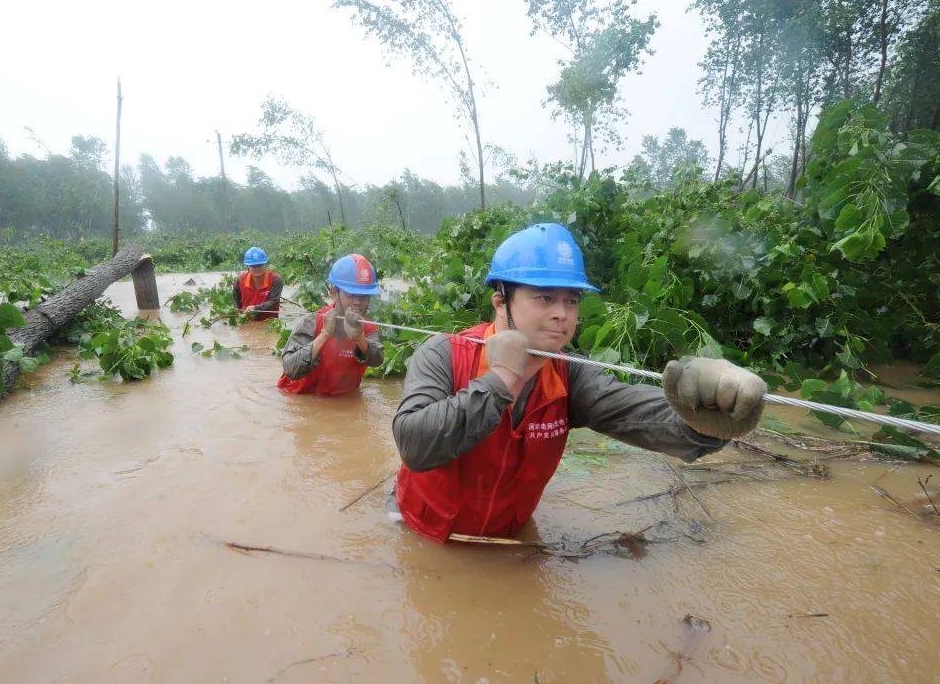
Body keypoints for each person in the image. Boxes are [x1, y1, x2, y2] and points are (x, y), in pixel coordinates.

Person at [391, 223, 767, 543]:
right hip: (425, 537)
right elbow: (414, 444)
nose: (562, 314)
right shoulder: (443, 353)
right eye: (545, 297)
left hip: (508, 539)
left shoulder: (571, 374)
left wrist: (704, 418)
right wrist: (502, 378)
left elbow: (636, 414)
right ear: (500, 302)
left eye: (571, 301)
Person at [278, 254, 386, 396]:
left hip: (342, 402)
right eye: (351, 295)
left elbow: (378, 360)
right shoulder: (312, 321)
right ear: (335, 293)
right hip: (301, 399)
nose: (358, 302)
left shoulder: (369, 329)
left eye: (364, 296)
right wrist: (325, 334)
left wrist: (360, 339)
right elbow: (291, 369)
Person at [233, 246, 283, 321]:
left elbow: (274, 301)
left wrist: (255, 308)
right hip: (246, 321)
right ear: (248, 266)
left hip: (270, 322)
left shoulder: (276, 280)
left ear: (265, 264)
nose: (257, 268)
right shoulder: (239, 280)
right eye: (253, 266)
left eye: (260, 265)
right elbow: (236, 303)